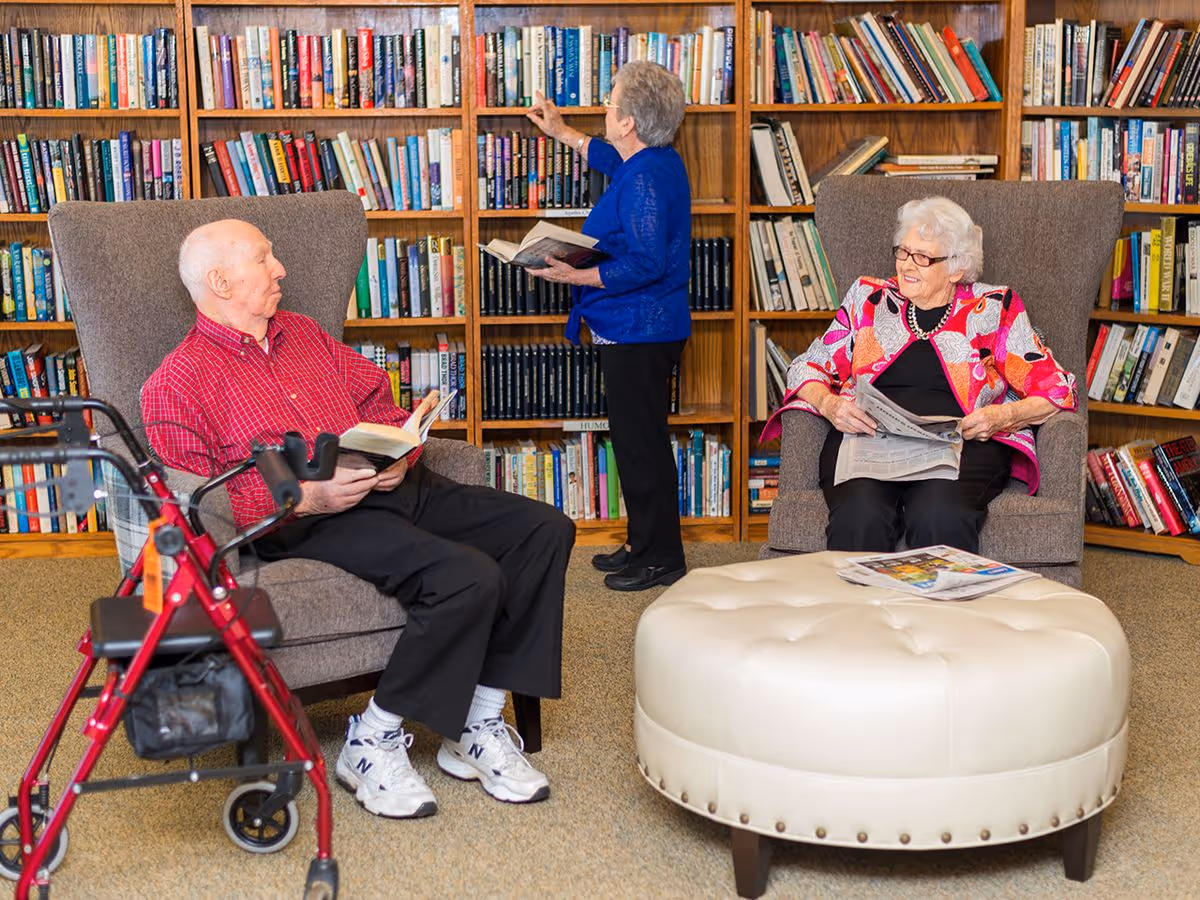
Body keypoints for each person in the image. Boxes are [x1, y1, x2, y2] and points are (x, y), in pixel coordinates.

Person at [142, 219, 574, 819]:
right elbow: (196, 504)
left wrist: (403, 448)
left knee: (545, 528)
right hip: (315, 519)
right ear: (220, 280)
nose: (281, 271)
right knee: (466, 576)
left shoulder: (304, 333)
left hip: (394, 485)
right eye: (265, 260)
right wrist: (308, 497)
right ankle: (371, 738)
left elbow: (377, 401)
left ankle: (475, 723)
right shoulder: (176, 383)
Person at [762, 196, 1077, 553]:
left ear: (957, 268)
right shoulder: (869, 299)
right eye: (903, 252)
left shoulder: (993, 308)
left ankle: (937, 609)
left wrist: (1000, 416)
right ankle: (861, 609)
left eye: (923, 258)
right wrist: (831, 405)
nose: (906, 266)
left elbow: (1058, 388)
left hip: (960, 445)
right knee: (860, 514)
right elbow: (805, 366)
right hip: (869, 439)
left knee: (938, 514)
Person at [525, 60, 691, 592]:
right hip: (640, 327)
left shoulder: (644, 178)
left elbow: (646, 263)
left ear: (630, 123)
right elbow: (603, 155)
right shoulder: (650, 161)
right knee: (635, 440)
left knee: (642, 445)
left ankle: (661, 557)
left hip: (642, 329)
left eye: (611, 103)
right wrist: (561, 132)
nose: (604, 108)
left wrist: (575, 272)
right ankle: (644, 544)